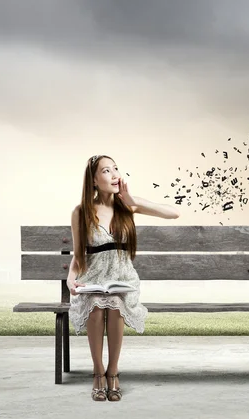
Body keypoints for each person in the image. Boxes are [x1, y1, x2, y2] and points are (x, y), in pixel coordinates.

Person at [66, 154, 180, 402]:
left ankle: (113, 373)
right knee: (97, 306)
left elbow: (173, 213)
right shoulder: (81, 212)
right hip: (94, 276)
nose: (115, 174)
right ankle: (98, 373)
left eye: (116, 169)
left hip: (122, 277)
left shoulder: (127, 207)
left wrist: (132, 199)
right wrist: (70, 279)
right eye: (107, 171)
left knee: (115, 304)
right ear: (94, 180)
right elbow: (78, 256)